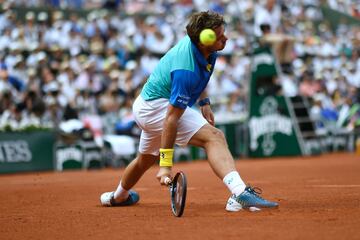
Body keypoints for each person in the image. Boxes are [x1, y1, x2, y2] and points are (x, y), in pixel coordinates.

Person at [100, 11, 278, 211]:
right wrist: (166, 165)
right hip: (155, 108)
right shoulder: (186, 68)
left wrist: (205, 102)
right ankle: (239, 193)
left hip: (145, 106)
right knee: (214, 137)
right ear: (204, 41)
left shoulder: (208, 49)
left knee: (144, 160)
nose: (225, 38)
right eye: (220, 36)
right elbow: (170, 120)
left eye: (223, 33)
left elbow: (202, 76)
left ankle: (118, 197)